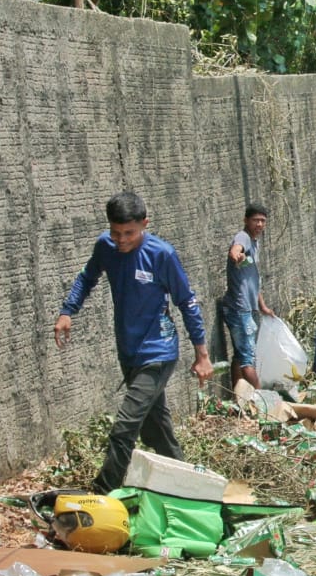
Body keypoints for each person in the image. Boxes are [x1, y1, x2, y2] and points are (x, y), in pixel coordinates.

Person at [53, 192, 212, 494]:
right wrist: (67, 311)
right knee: (157, 430)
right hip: (128, 351)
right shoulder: (106, 247)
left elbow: (187, 302)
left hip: (159, 352)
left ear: (145, 225)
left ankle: (101, 493)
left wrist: (201, 353)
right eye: (116, 233)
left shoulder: (161, 254)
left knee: (124, 427)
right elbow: (87, 277)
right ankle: (189, 490)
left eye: (129, 233)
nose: (121, 240)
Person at [221, 204, 276, 391]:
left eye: (262, 221)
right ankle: (264, 402)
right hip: (239, 308)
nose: (259, 224)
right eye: (255, 220)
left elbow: (253, 280)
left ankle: (238, 398)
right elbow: (235, 251)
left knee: (239, 356)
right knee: (247, 360)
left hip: (246, 308)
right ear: (246, 220)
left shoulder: (254, 242)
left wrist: (263, 306)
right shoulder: (243, 237)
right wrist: (237, 256)